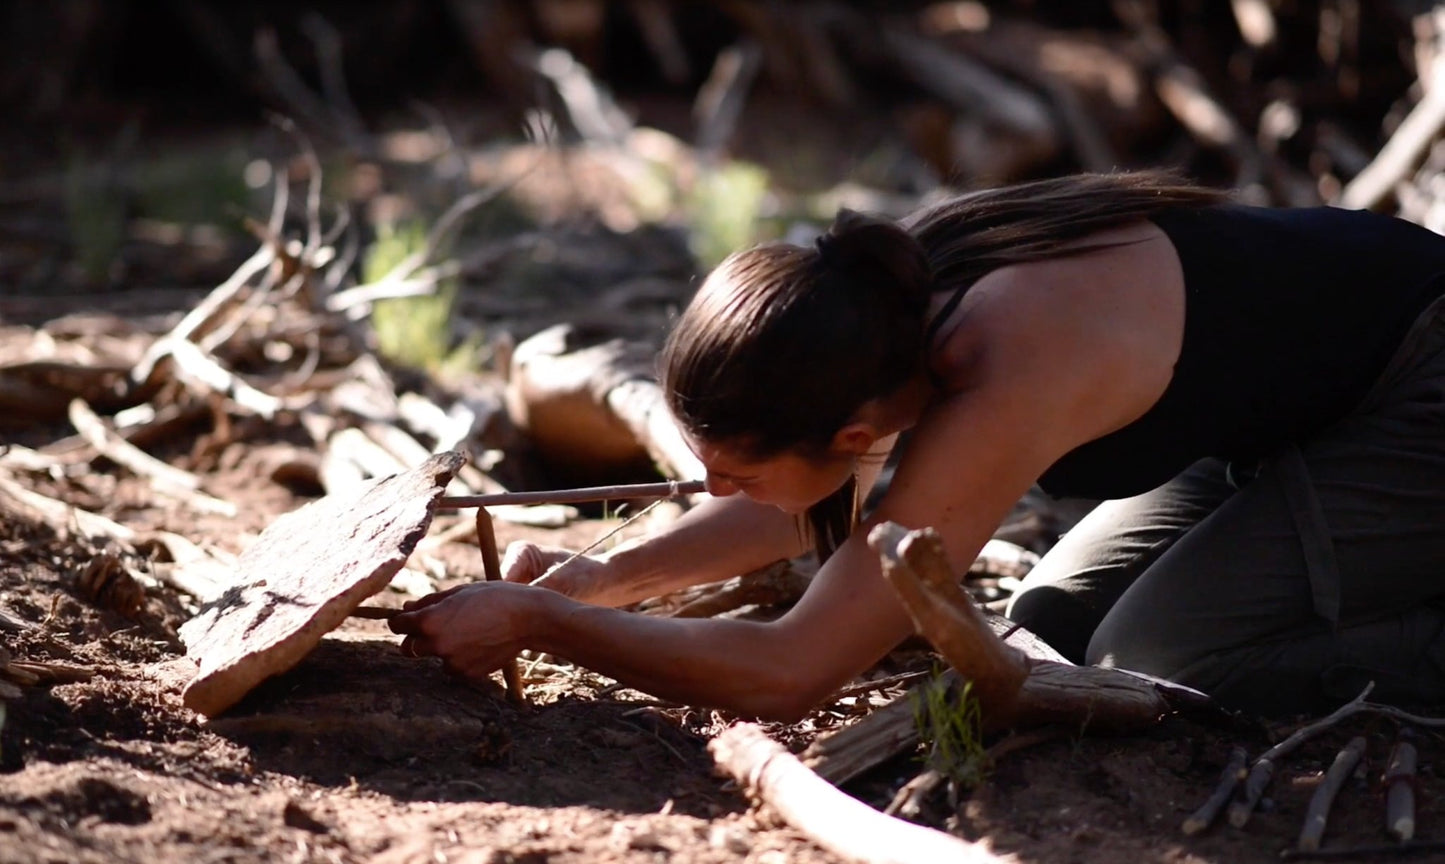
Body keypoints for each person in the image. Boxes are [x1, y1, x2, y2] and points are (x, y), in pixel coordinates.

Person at [391, 170, 1445, 719]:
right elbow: (786, 497)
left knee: (1163, 665)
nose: (704, 493)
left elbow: (790, 671)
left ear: (855, 437)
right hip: (1285, 412)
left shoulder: (1002, 362)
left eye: (732, 471)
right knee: (1045, 626)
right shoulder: (874, 311)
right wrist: (605, 579)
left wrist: (543, 622)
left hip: (1417, 390)